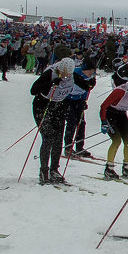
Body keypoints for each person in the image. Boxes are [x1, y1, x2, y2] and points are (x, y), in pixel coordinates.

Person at [30, 57, 86, 185]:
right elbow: (33, 90)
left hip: (59, 107)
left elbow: (84, 85)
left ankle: (54, 170)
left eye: (69, 74)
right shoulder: (50, 73)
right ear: (60, 69)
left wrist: (90, 84)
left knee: (58, 139)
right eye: (64, 73)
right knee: (48, 137)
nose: (66, 76)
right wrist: (51, 83)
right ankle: (43, 170)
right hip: (42, 106)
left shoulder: (72, 75)